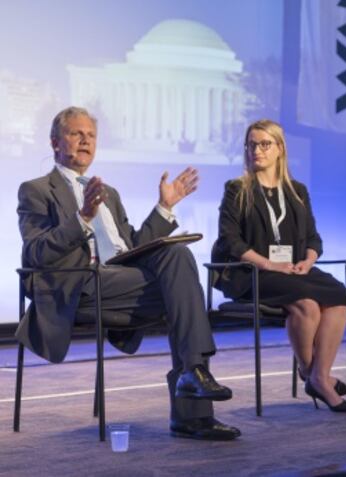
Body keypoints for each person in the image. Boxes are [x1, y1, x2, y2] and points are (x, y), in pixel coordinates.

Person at [16, 106, 241, 440]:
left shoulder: (111, 194)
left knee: (177, 257)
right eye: (76, 133)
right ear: (54, 142)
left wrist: (164, 208)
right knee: (182, 286)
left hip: (123, 282)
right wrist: (81, 219)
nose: (85, 140)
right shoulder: (36, 190)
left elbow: (133, 248)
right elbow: (37, 252)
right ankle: (191, 407)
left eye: (91, 135)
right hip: (83, 288)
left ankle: (191, 377)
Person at [213, 119, 346, 413]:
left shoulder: (297, 192)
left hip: (293, 270)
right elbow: (231, 242)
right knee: (306, 304)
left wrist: (308, 261)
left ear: (280, 149)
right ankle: (314, 375)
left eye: (264, 144)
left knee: (338, 296)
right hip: (253, 272)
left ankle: (317, 375)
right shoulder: (236, 190)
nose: (257, 150)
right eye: (252, 145)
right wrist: (270, 265)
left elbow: (314, 238)